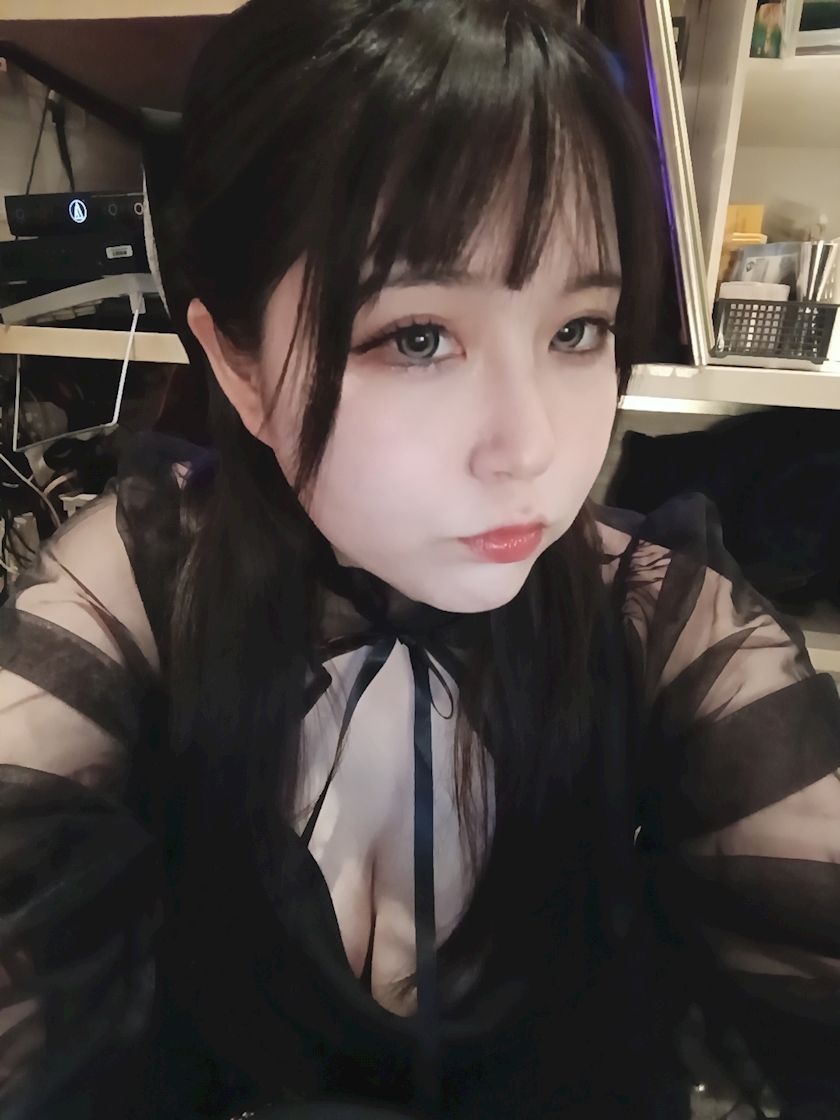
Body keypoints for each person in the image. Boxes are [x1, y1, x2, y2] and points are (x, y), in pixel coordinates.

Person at [1, 2, 839, 1118]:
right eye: (418, 337)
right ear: (238, 367)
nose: (530, 449)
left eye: (577, 330)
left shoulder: (660, 618)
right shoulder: (142, 590)